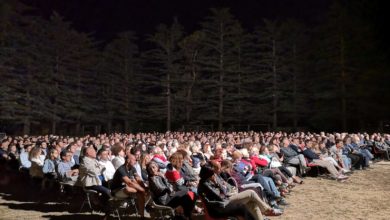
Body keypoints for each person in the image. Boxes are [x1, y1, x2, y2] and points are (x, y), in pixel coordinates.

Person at [198, 165, 282, 220]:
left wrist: (224, 187)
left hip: (225, 200)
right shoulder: (205, 184)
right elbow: (219, 196)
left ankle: (265, 212)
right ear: (207, 175)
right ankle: (267, 210)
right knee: (251, 193)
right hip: (219, 206)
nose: (214, 176)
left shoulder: (211, 180)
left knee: (252, 204)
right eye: (212, 175)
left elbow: (227, 188)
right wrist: (219, 185)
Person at [110, 153, 147, 218]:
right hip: (116, 190)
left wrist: (144, 187)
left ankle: (142, 215)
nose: (136, 161)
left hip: (128, 189)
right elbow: (129, 183)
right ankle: (142, 213)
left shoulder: (132, 168)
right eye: (134, 160)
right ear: (128, 160)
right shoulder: (121, 169)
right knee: (132, 189)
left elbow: (138, 179)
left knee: (139, 192)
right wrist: (142, 189)